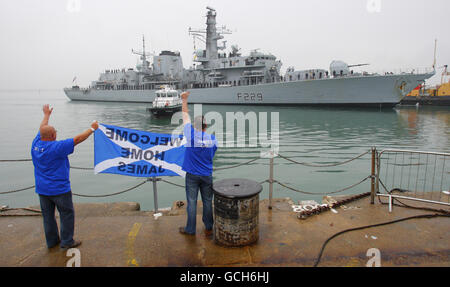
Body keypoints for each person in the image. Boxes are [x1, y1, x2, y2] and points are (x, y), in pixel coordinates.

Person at [31, 104, 99, 249]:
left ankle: (51, 242)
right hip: (60, 190)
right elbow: (77, 139)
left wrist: (47, 115)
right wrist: (92, 128)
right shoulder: (57, 147)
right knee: (66, 214)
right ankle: (67, 242)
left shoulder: (35, 144)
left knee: (48, 217)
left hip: (42, 190)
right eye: (55, 132)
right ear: (53, 136)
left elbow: (42, 128)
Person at [179, 92, 218, 237]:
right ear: (206, 126)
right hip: (207, 175)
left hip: (192, 175)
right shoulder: (213, 139)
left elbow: (185, 115)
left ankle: (190, 229)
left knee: (191, 202)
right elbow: (212, 154)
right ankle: (208, 227)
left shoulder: (189, 134)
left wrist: (184, 100)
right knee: (208, 202)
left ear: (194, 126)